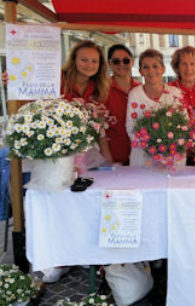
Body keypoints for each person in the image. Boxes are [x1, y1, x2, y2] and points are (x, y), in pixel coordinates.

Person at [42, 40, 112, 283]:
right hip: (55, 155)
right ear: (73, 60)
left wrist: (109, 161)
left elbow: (101, 128)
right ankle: (59, 259)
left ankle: (80, 251)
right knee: (59, 205)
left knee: (82, 206)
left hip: (85, 156)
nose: (89, 64)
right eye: (84, 59)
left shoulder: (98, 87)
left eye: (94, 60)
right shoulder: (56, 80)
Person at [126, 49, 184, 167]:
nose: (151, 70)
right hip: (143, 157)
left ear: (163, 69)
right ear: (140, 71)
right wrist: (153, 146)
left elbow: (184, 124)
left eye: (155, 66)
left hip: (171, 156)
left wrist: (167, 146)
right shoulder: (135, 94)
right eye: (145, 67)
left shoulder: (175, 93)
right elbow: (131, 126)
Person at [168, 46, 195, 165]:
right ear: (177, 67)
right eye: (184, 64)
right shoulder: (168, 90)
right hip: (175, 155)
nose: (188, 68)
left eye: (192, 64)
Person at [104, 44, 141, 165]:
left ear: (132, 62)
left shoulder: (141, 88)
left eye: (126, 61)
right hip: (114, 157)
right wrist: (107, 157)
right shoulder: (103, 89)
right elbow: (98, 127)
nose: (121, 64)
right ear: (109, 64)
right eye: (116, 61)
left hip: (140, 155)